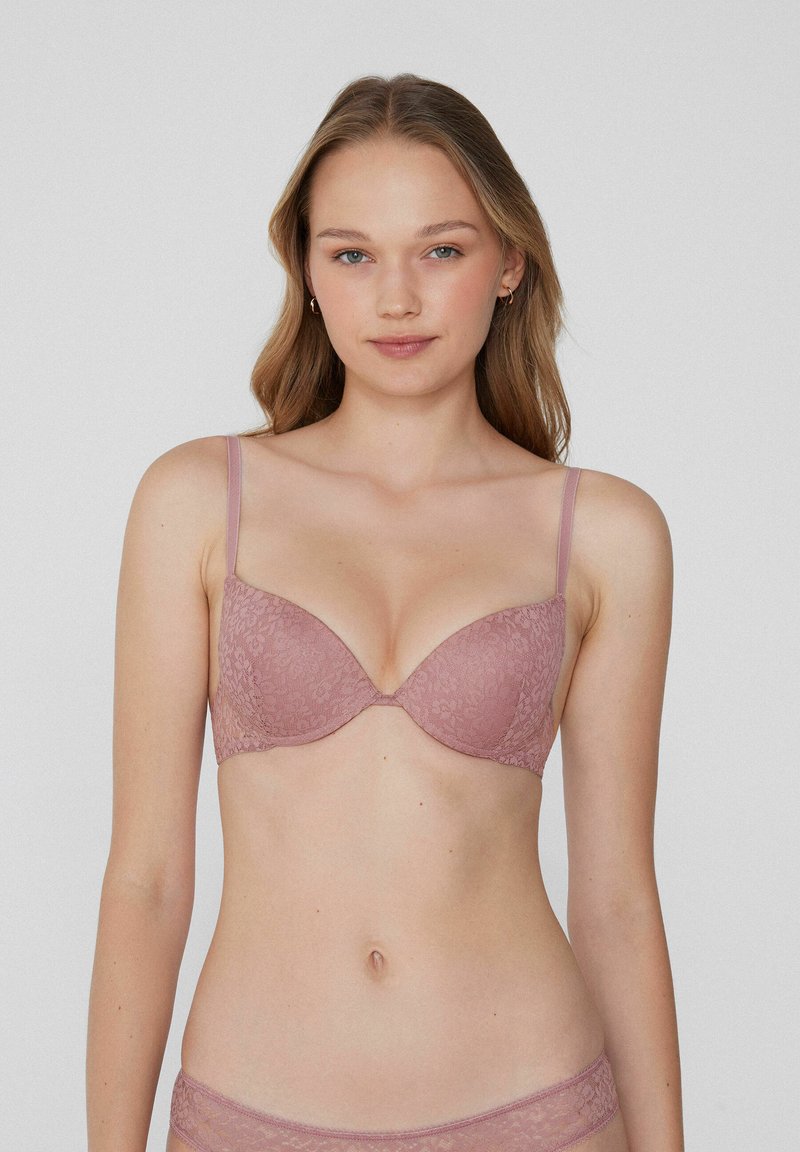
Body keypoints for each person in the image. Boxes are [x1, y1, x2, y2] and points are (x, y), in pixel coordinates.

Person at [86, 73, 683, 1152]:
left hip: (536, 1110)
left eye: (441, 250)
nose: (395, 298)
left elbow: (617, 903)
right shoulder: (197, 502)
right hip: (250, 1116)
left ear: (509, 263)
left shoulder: (602, 533)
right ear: (308, 273)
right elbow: (145, 881)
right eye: (352, 254)